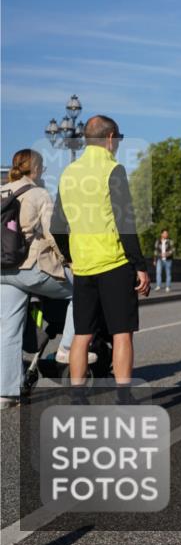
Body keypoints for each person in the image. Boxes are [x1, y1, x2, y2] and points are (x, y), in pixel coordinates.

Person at [52, 116, 151, 402]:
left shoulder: (69, 173)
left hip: (83, 265)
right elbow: (125, 223)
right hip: (113, 262)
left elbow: (56, 225)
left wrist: (70, 255)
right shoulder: (113, 170)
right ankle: (123, 395)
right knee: (122, 332)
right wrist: (140, 265)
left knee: (81, 334)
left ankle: (78, 396)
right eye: (118, 138)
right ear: (110, 138)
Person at [1, 151, 77, 408]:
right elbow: (54, 233)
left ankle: (6, 393)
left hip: (4, 271)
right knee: (83, 292)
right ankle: (66, 348)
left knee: (8, 330)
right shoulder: (39, 193)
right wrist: (68, 261)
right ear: (37, 169)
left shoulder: (2, 191)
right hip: (32, 268)